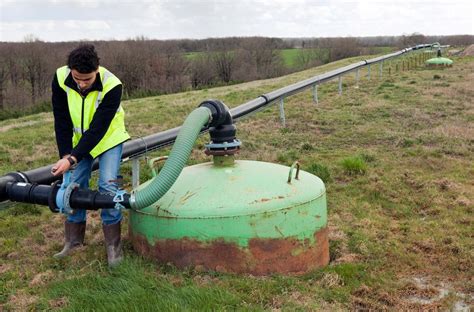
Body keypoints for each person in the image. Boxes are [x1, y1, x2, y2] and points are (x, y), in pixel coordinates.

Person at [51, 44, 130, 267]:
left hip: (108, 140)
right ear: (70, 70)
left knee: (108, 186)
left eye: (87, 79)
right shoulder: (60, 78)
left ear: (97, 69)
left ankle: (113, 246)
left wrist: (72, 159)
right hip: (78, 142)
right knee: (72, 186)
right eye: (78, 78)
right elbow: (62, 119)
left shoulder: (112, 85)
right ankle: (73, 241)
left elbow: (98, 129)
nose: (82, 83)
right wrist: (66, 154)